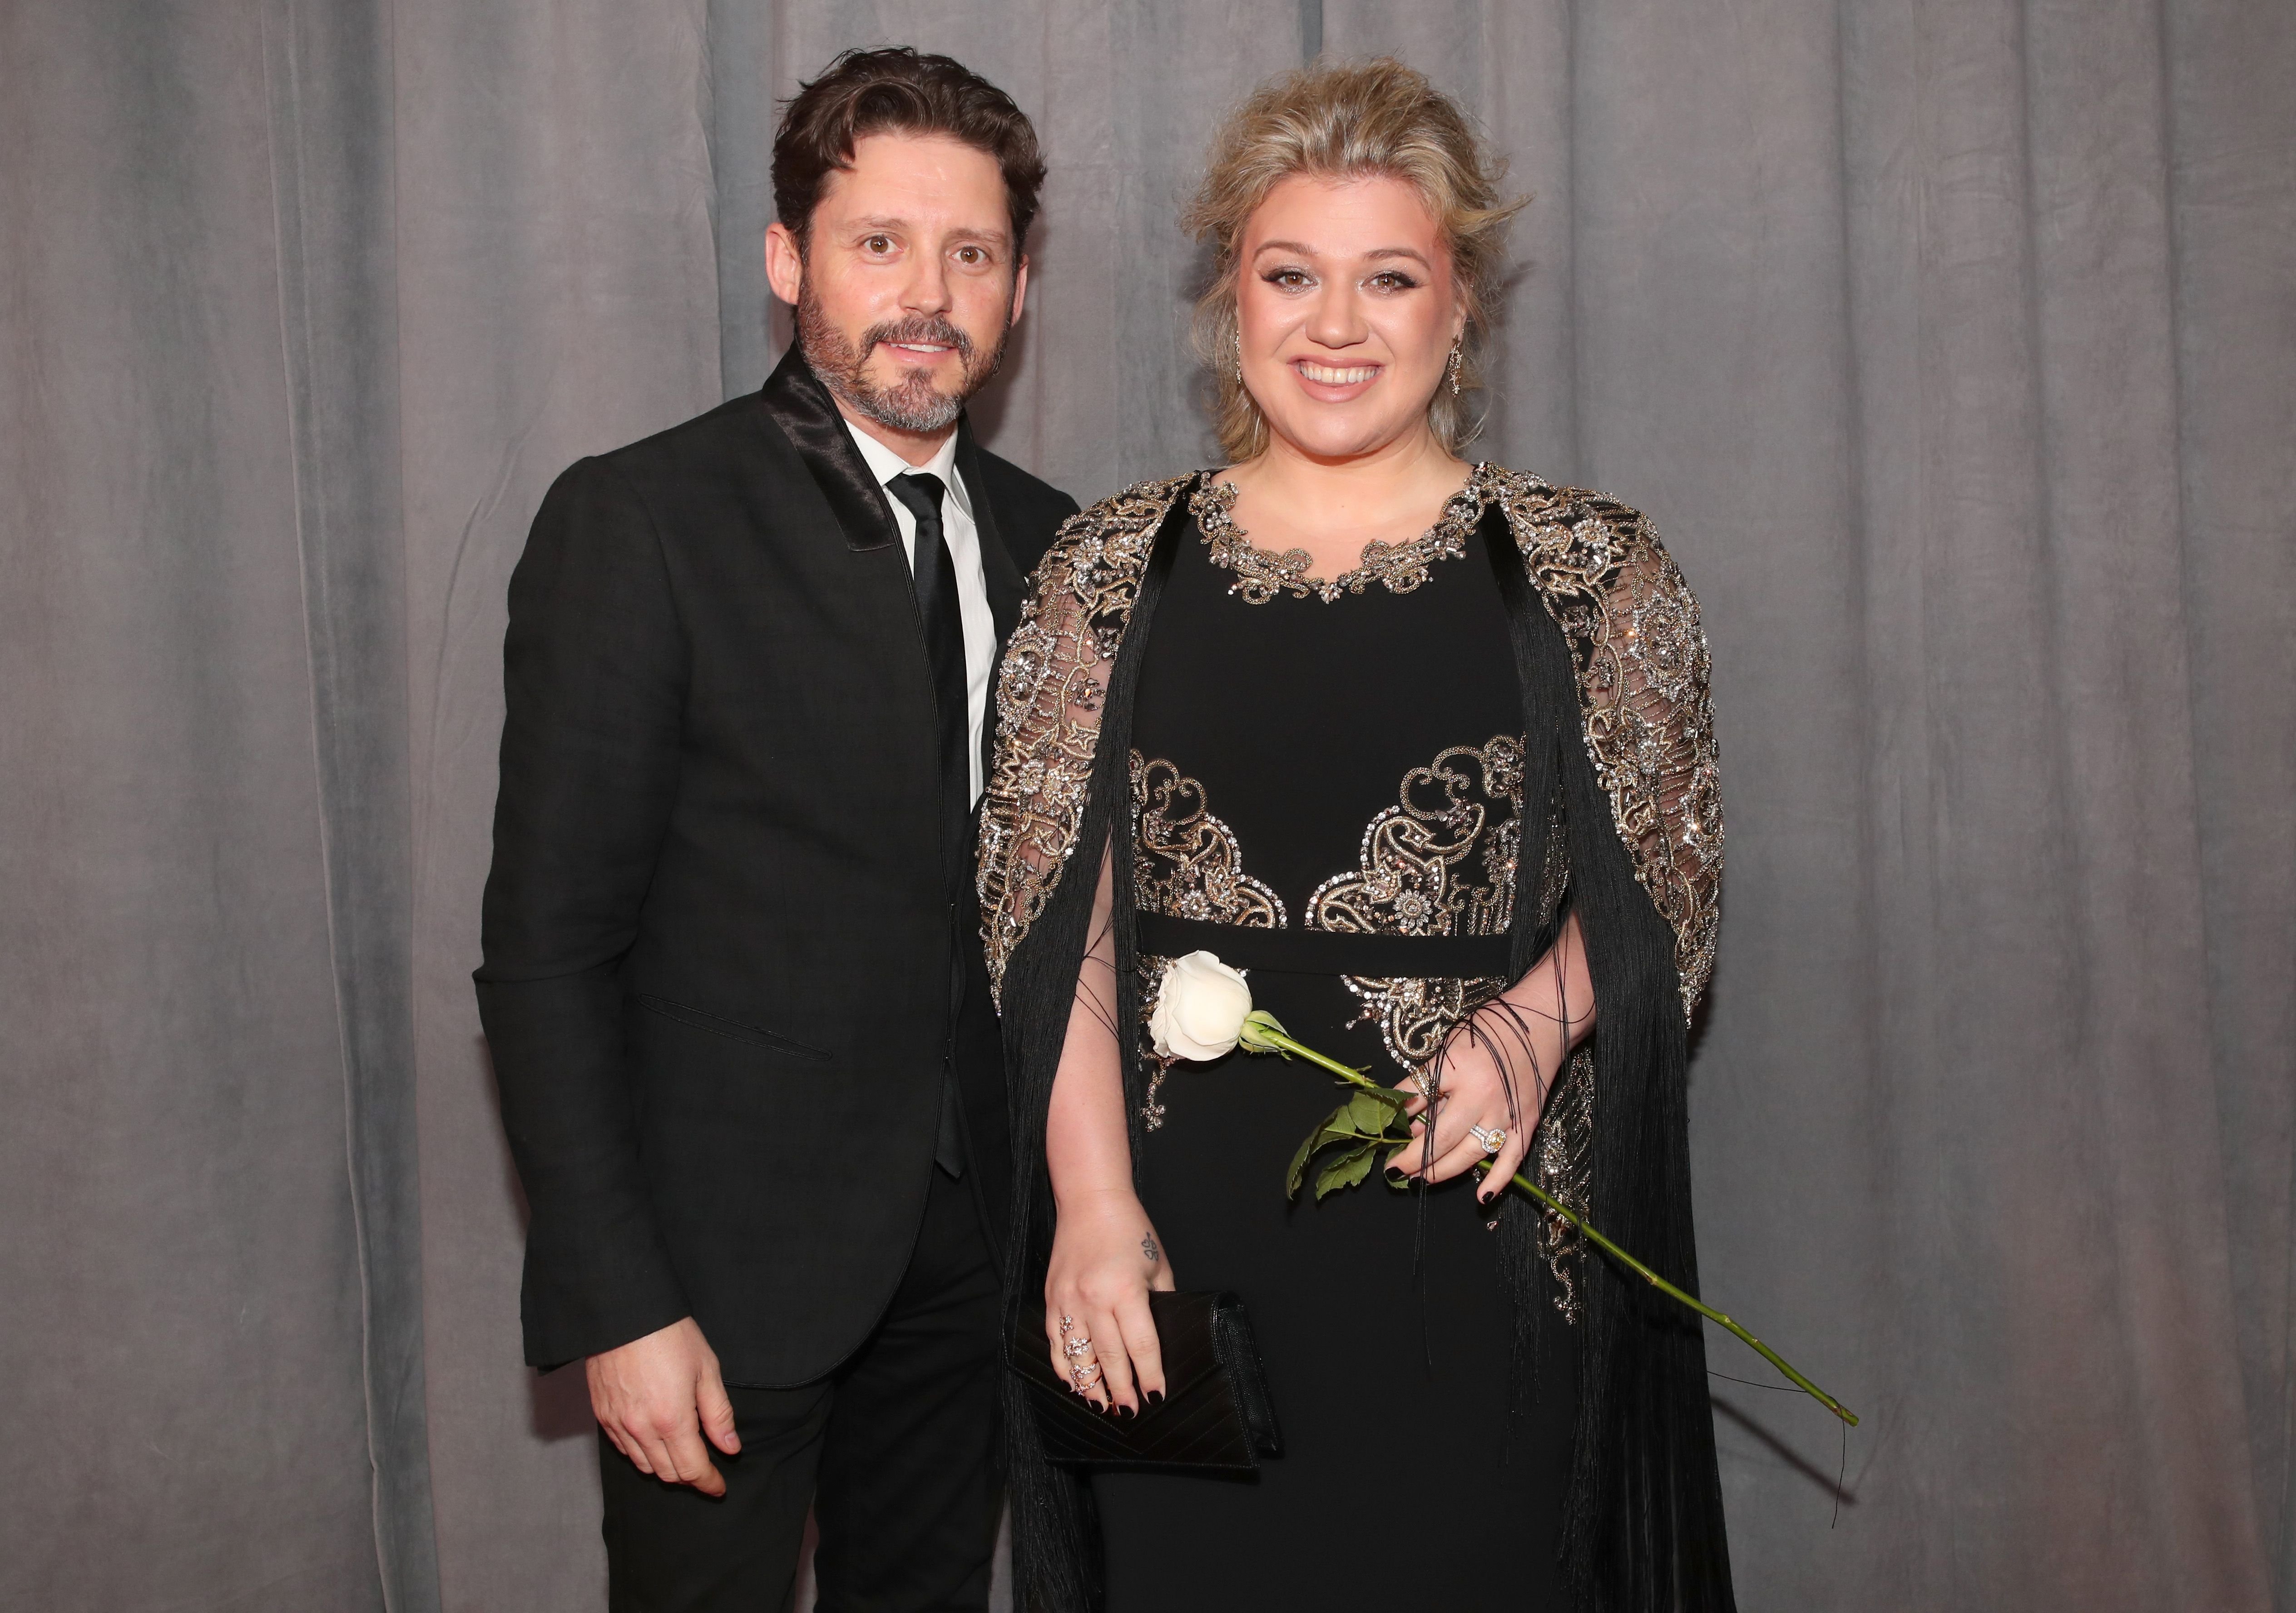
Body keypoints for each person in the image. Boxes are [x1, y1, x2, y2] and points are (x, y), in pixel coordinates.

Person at [980, 59, 1735, 1612]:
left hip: (1478, 1246)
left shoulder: (1595, 573)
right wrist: (1096, 1211)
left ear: (1458, 310)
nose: (1337, 325)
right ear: (1230, 302)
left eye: (1389, 278)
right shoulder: (1105, 571)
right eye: (1291, 275)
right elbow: (1053, 922)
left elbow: (1667, 893)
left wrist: (1532, 1029)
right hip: (1177, 1259)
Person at [475, 47, 1078, 1613]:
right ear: (787, 259)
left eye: (973, 251)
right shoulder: (643, 523)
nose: (928, 293)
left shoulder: (1059, 547)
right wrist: (618, 1303)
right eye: (881, 242)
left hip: (975, 1268)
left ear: (1016, 285)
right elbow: (546, 955)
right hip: (718, 1283)